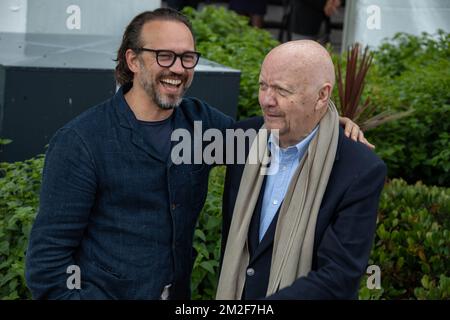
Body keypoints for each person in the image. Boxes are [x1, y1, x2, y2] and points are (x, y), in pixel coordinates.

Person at [25, 8, 366, 300]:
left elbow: (275, 134)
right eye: (164, 56)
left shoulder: (203, 127)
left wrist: (330, 124)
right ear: (133, 60)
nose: (178, 68)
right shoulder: (82, 142)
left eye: (187, 58)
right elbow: (47, 263)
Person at [217, 40, 386, 299]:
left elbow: (340, 277)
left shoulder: (360, 170)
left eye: (282, 91)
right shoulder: (243, 139)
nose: (267, 100)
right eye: (263, 86)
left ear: (321, 96)